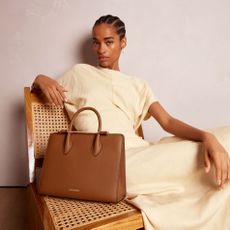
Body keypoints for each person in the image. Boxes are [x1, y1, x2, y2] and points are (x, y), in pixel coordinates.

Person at [32, 15, 230, 230]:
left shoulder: (138, 85)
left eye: (109, 42)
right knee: (200, 155)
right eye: (96, 42)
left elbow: (168, 121)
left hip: (143, 152)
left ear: (123, 42)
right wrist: (41, 78)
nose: (101, 49)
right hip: (114, 163)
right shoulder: (79, 73)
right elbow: (38, 89)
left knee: (225, 137)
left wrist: (207, 137)